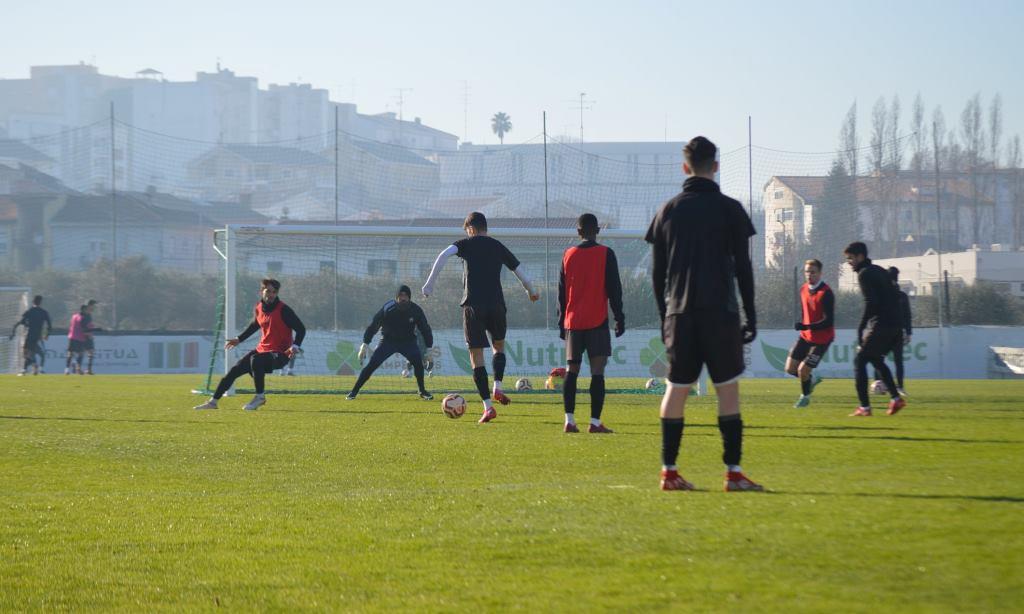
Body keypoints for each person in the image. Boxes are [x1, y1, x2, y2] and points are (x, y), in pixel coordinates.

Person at [645, 136, 763, 492]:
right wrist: (750, 314)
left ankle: (669, 472)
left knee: (676, 388)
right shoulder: (730, 209)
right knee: (727, 390)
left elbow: (656, 274)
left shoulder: (668, 210)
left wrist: (665, 315)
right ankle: (733, 473)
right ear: (716, 166)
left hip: (679, 314)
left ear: (685, 167)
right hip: (721, 313)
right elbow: (743, 268)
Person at [421, 211, 540, 423]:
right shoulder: (497, 245)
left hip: (473, 305)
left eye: (467, 231)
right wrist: (530, 290)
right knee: (499, 346)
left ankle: (488, 407)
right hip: (497, 305)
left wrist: (429, 284)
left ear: (471, 229)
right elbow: (518, 269)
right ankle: (498, 387)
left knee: (476, 357)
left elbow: (443, 255)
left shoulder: (466, 244)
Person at [557, 213, 625, 434]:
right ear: (598, 230)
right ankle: (595, 423)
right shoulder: (606, 253)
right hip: (597, 320)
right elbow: (614, 289)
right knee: (597, 371)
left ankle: (569, 421)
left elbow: (561, 293)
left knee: (572, 369)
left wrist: (561, 322)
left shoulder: (568, 254)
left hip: (573, 322)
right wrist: (619, 317)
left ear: (578, 232)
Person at [193, 278, 305, 411]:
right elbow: (255, 325)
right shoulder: (259, 307)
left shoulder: (284, 310)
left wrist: (295, 345)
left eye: (274, 292)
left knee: (255, 360)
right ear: (261, 291)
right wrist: (239, 339)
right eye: (268, 291)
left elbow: (301, 329)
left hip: (281, 353)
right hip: (262, 349)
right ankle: (213, 403)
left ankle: (260, 397)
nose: (271, 294)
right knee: (234, 371)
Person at [844, 242, 907, 416]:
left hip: (882, 324)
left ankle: (864, 407)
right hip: (895, 324)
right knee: (875, 359)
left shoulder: (864, 274)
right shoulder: (879, 270)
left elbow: (870, 302)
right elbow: (896, 294)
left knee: (859, 361)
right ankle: (896, 398)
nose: (849, 262)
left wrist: (861, 327)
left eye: (850, 258)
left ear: (860, 256)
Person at [346, 285, 434, 401]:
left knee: (418, 364)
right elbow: (373, 325)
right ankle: (354, 391)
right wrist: (365, 344)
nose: (403, 298)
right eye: (401, 295)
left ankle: (422, 391)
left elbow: (425, 329)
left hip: (408, 342)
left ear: (409, 297)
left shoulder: (416, 310)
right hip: (388, 342)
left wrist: (429, 349)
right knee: (372, 365)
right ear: (396, 297)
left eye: (406, 295)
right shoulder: (388, 308)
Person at [787, 259, 835, 408]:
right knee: (790, 369)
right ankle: (811, 380)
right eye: (807, 272)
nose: (809, 275)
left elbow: (828, 321)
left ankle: (805, 397)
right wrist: (802, 324)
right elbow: (805, 312)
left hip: (822, 339)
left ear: (820, 273)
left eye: (813, 272)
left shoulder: (826, 293)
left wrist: (806, 326)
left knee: (803, 370)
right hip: (806, 336)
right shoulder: (803, 289)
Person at [873, 266, 911, 396]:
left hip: (890, 332)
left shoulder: (899, 296)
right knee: (885, 359)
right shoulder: (891, 295)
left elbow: (906, 315)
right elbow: (907, 315)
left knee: (885, 359)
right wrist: (908, 332)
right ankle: (882, 385)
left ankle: (886, 385)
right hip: (890, 332)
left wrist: (908, 332)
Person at [9, 294, 51, 375]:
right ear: (40, 302)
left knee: (26, 354)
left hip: (29, 335)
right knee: (30, 354)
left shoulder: (30, 311)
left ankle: (25, 370)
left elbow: (20, 322)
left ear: (33, 302)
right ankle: (32, 367)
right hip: (37, 337)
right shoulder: (44, 312)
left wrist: (13, 333)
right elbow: (49, 325)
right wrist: (47, 334)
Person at [65, 305, 89, 375]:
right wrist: (88, 335)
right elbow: (84, 329)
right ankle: (78, 369)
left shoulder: (74, 316)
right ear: (84, 310)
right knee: (81, 353)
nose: (87, 311)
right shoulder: (82, 318)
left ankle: (67, 370)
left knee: (70, 353)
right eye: (86, 310)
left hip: (71, 337)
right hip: (79, 338)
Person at [81, 299, 102, 374]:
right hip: (83, 336)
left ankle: (88, 370)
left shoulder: (89, 315)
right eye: (93, 305)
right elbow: (83, 327)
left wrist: (91, 333)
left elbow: (89, 325)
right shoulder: (84, 315)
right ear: (89, 306)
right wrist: (89, 334)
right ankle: (79, 368)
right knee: (82, 353)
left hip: (88, 336)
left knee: (90, 352)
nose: (94, 307)